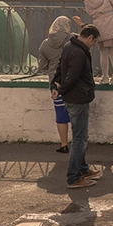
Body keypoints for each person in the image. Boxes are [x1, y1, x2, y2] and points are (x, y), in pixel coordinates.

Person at [50, 24, 104, 189]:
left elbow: (60, 68)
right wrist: (61, 89)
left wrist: (55, 86)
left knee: (81, 136)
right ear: (89, 38)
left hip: (72, 98)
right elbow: (71, 77)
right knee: (80, 139)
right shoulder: (80, 53)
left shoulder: (69, 46)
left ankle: (82, 169)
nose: (93, 45)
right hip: (78, 99)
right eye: (93, 42)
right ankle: (73, 177)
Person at [74, 0, 113, 84]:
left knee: (103, 53)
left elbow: (90, 13)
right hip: (112, 25)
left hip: (100, 28)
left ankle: (105, 77)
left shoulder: (88, 4)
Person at [37, 15, 74, 154]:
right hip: (72, 80)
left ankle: (64, 144)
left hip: (55, 84)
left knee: (61, 114)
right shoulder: (72, 39)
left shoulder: (45, 44)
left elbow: (43, 66)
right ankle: (78, 143)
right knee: (76, 113)